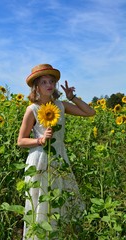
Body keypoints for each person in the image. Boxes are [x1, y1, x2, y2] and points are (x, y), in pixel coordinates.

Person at [17, 64, 96, 239]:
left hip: (59, 157)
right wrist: (40, 139)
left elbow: (90, 112)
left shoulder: (61, 105)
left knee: (63, 198)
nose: (49, 84)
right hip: (39, 159)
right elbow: (21, 140)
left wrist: (72, 97)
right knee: (41, 201)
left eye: (51, 81)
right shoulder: (32, 109)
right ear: (36, 87)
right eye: (44, 82)